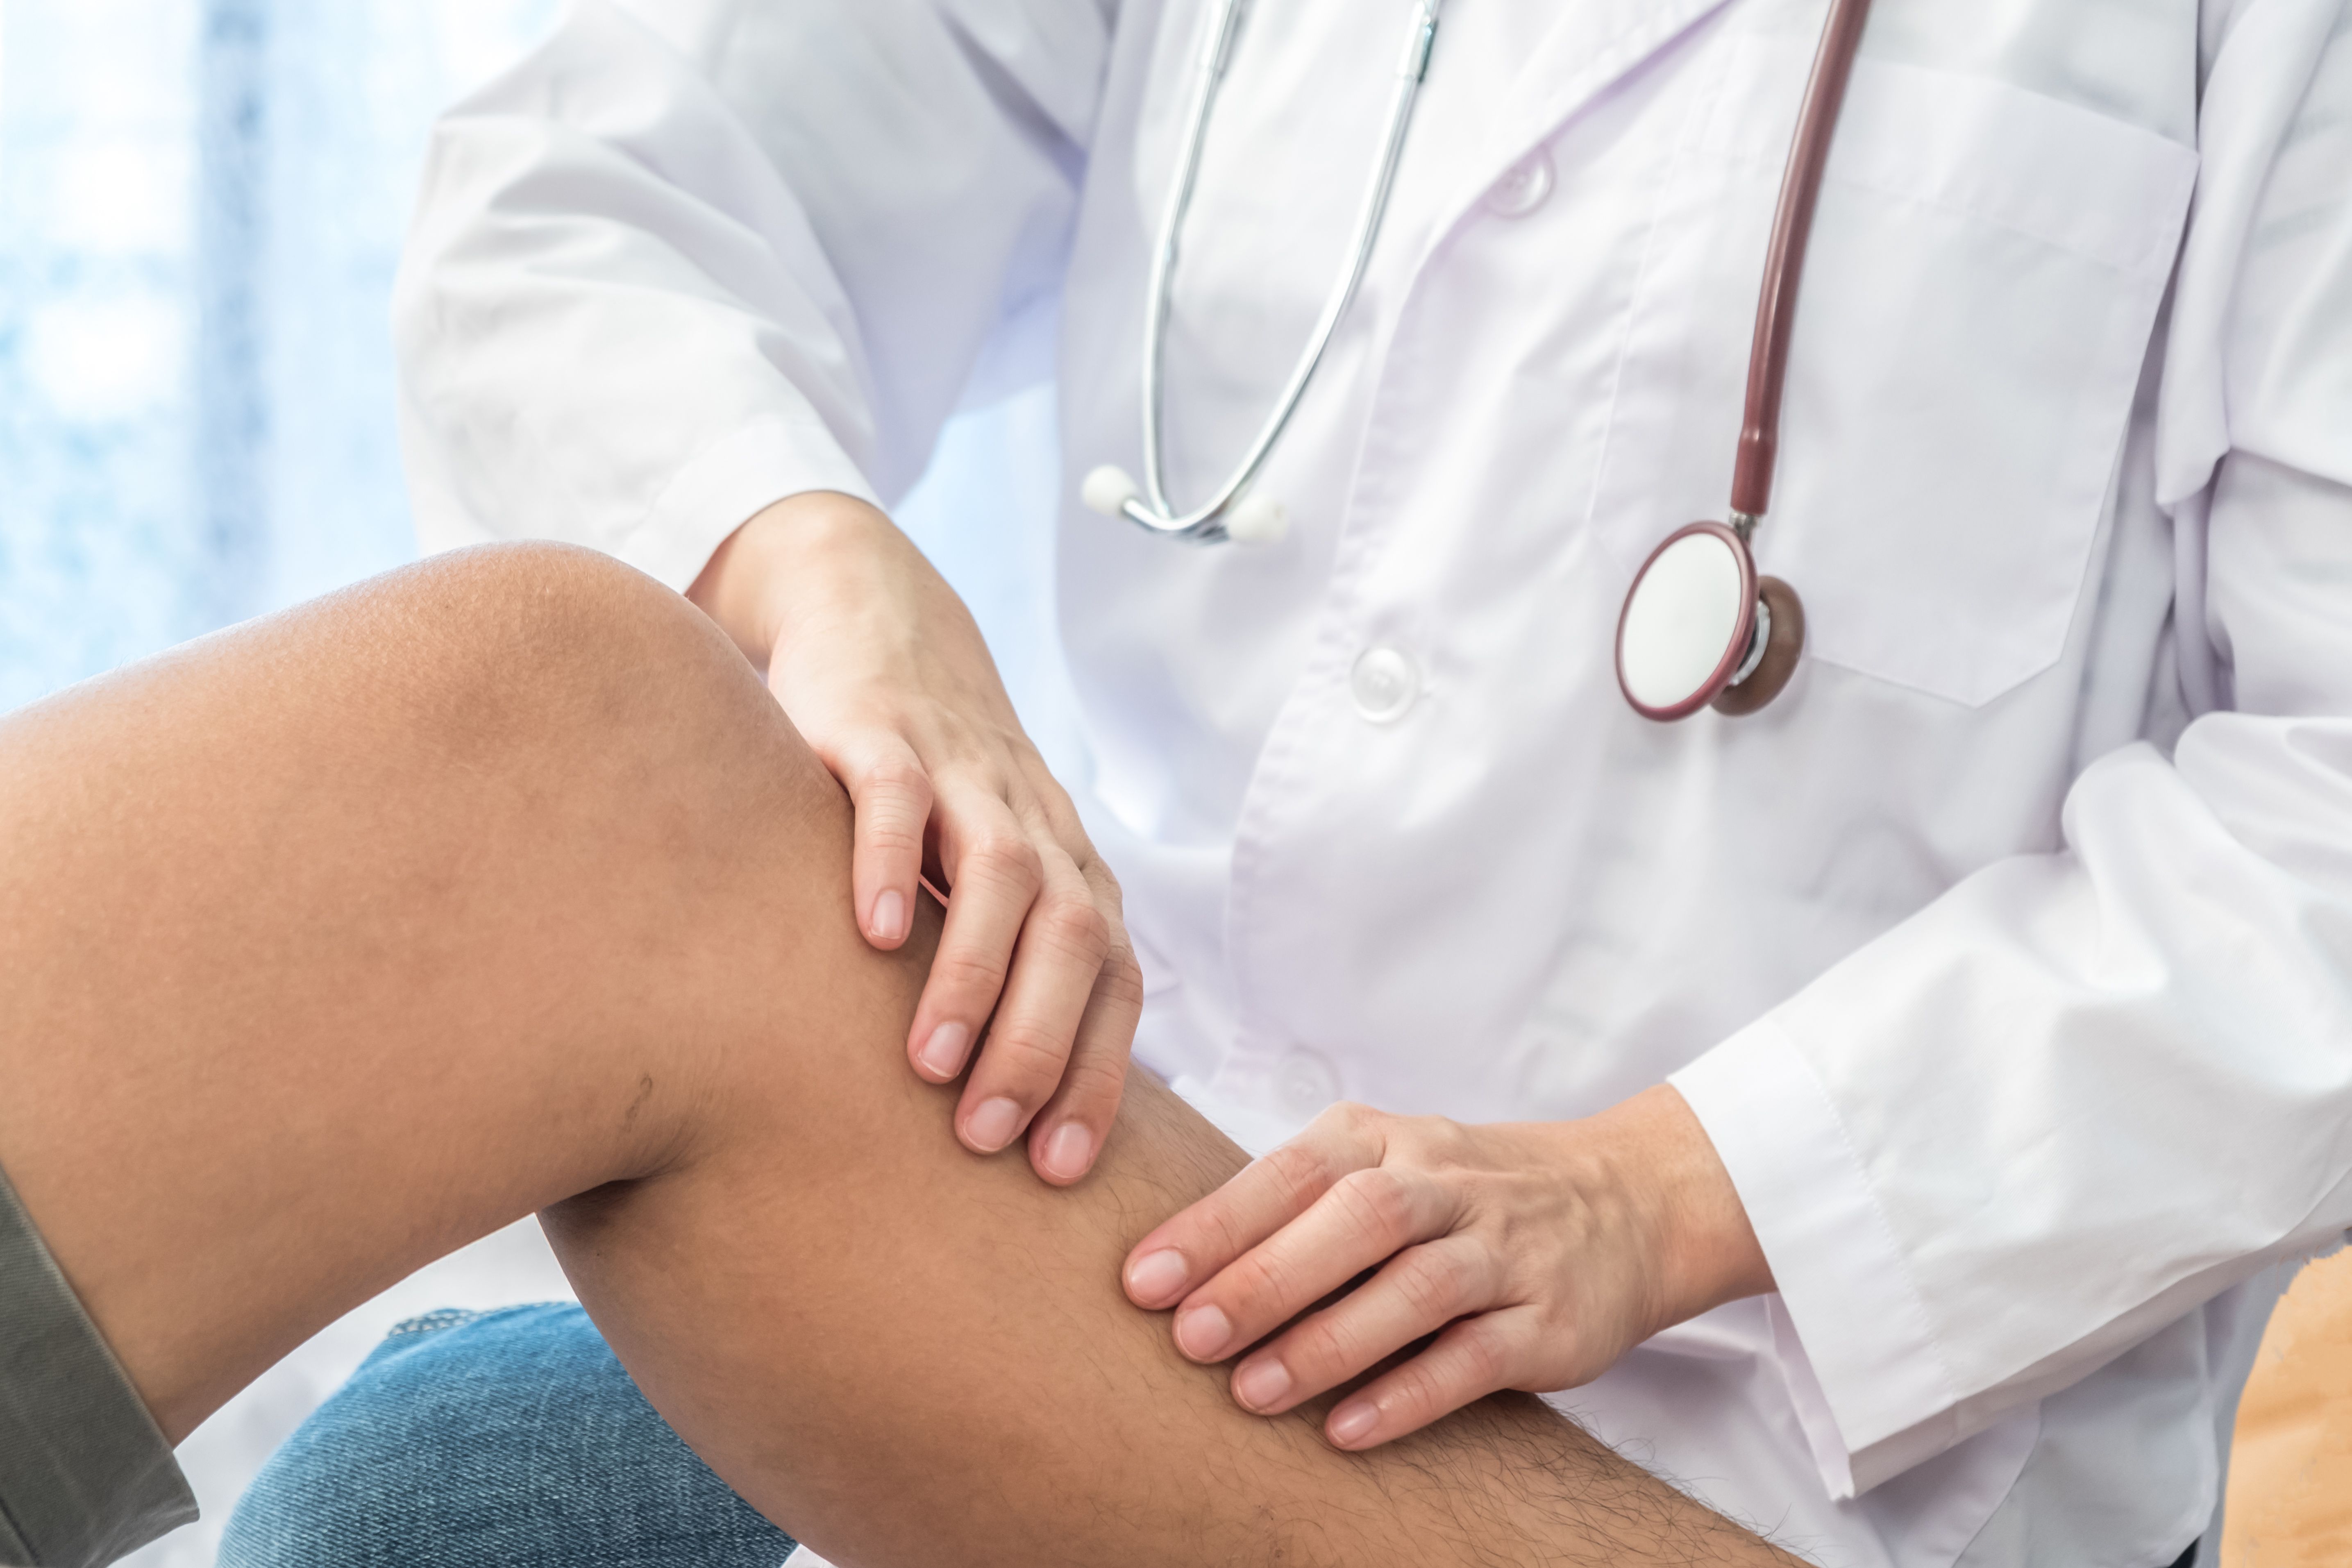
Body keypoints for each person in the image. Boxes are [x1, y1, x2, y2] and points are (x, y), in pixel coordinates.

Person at [278, 0, 2352, 1564]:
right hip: (1138, 1232)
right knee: (391, 1479)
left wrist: (1661, 1193)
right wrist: (814, 560)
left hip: (1818, 1427)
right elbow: (593, 185)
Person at [0, 543, 1807, 1568]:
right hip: (1180, 1212)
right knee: (572, 766)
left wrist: (1678, 1185)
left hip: (1847, 1351)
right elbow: (652, 165)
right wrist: (829, 567)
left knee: (577, 761)